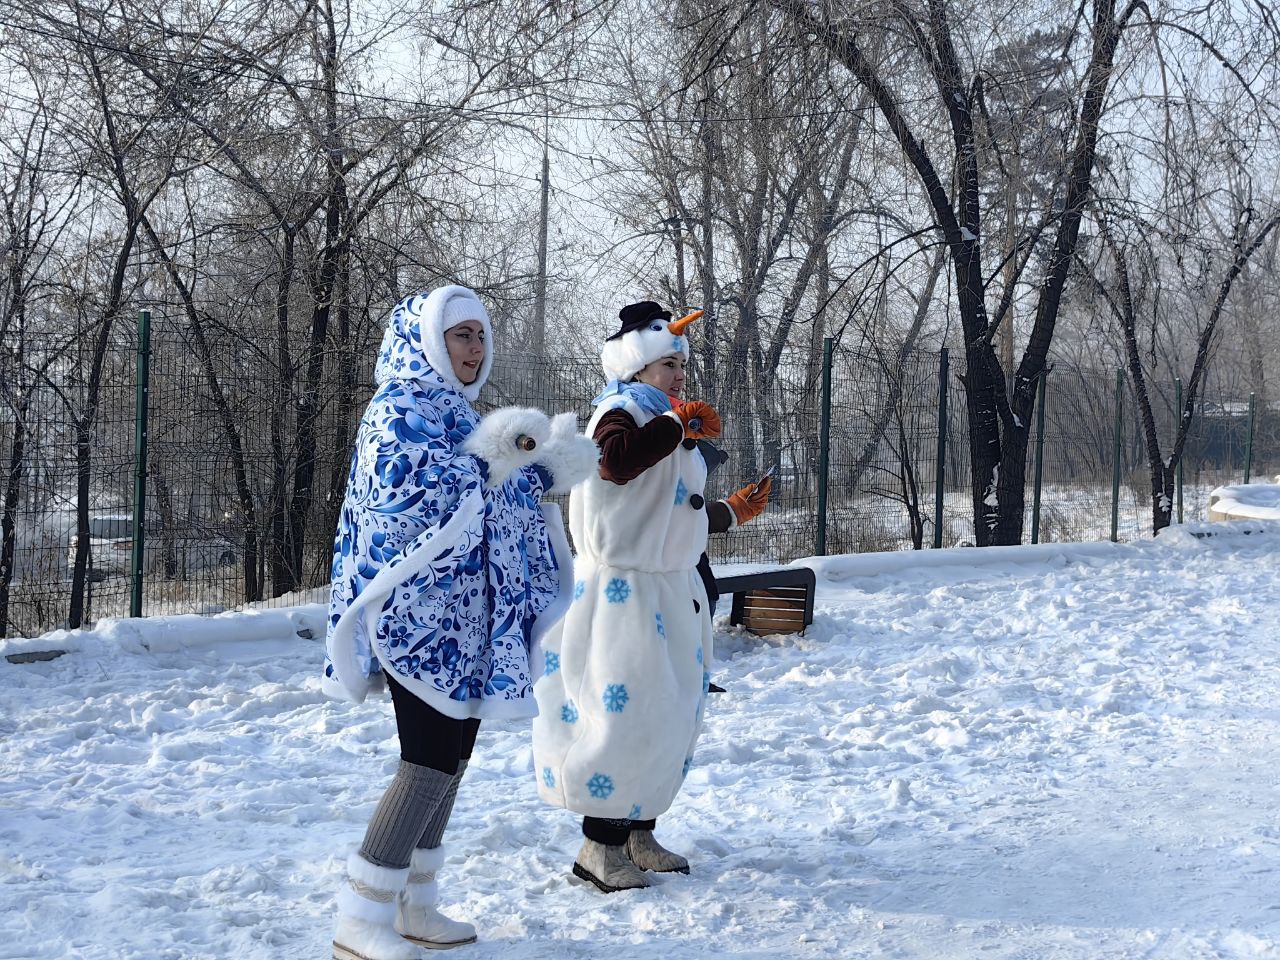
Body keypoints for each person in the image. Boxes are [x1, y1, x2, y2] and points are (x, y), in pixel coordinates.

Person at [323, 285, 597, 959]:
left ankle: (416, 904)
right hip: (417, 623)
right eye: (459, 336)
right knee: (425, 763)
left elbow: (490, 496)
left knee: (453, 761)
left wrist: (543, 472)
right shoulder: (399, 409)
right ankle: (360, 918)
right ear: (426, 341)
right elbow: (405, 500)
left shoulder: (454, 410)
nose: (473, 350)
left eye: (479, 336)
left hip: (470, 624)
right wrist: (496, 458)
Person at [531, 301, 772, 893]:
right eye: (668, 363)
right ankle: (599, 846)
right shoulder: (617, 412)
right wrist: (675, 425)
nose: (679, 373)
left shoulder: (663, 417)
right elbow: (615, 465)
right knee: (626, 715)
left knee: (668, 713)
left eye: (680, 365)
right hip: (623, 595)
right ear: (638, 368)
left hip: (667, 589)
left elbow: (665, 511)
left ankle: (639, 829)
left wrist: (729, 511)